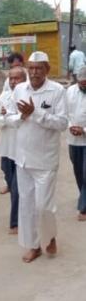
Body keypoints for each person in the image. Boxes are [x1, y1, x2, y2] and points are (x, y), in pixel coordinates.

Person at [5, 51, 68, 263]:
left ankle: (49, 236)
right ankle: (33, 246)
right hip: (22, 158)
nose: (34, 72)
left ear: (47, 70)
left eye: (38, 68)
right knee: (27, 205)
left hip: (46, 160)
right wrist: (21, 116)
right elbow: (10, 118)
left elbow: (62, 123)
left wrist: (36, 114)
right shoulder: (20, 89)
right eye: (30, 68)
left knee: (43, 206)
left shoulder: (57, 91)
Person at [0, 67, 27, 234]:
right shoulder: (4, 96)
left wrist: (9, 116)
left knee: (17, 186)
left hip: (21, 149)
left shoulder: (28, 97)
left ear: (24, 79)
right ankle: (22, 213)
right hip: (6, 147)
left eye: (17, 78)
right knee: (9, 178)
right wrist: (5, 118)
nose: (13, 82)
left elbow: (24, 121)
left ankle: (15, 222)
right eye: (11, 78)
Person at [0, 52, 26, 194]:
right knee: (6, 164)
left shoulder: (28, 80)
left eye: (17, 65)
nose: (13, 80)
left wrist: (12, 116)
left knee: (19, 165)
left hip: (21, 133)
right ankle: (10, 184)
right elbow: (1, 103)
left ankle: (16, 187)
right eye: (12, 67)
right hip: (7, 133)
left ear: (22, 64)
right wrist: (4, 116)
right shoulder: (8, 83)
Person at [66, 66, 86, 221]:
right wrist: (70, 126)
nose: (83, 85)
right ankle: (83, 196)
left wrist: (84, 130)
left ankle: (84, 207)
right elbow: (64, 112)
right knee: (78, 171)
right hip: (73, 140)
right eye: (81, 83)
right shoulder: (70, 91)